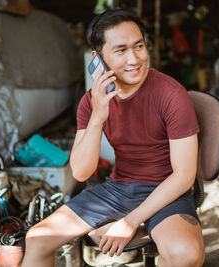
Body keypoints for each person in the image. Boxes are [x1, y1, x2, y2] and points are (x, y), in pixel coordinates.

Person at [21, 8, 205, 267]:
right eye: (120, 50)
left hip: (167, 191)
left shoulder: (171, 95)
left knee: (185, 255)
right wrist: (98, 116)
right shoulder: (92, 101)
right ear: (99, 58)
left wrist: (129, 222)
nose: (134, 59)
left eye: (139, 46)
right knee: (37, 238)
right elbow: (82, 173)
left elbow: (184, 175)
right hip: (118, 190)